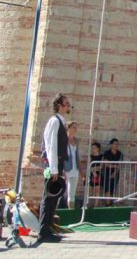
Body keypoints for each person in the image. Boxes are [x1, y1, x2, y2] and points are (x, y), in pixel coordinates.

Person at [38, 93, 71, 243]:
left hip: (58, 164)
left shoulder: (61, 121)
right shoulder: (54, 121)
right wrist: (54, 169)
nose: (68, 107)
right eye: (66, 104)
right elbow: (51, 145)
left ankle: (48, 229)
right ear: (59, 106)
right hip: (53, 164)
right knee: (49, 198)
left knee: (54, 198)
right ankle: (43, 232)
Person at [64, 121, 81, 209]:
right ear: (68, 128)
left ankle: (71, 210)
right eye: (73, 127)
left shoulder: (76, 140)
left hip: (75, 168)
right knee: (62, 190)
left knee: (72, 193)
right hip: (66, 167)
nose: (75, 129)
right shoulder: (64, 139)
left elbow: (77, 155)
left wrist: (80, 170)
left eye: (76, 127)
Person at [101, 138, 122, 204]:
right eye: (115, 144)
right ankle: (107, 204)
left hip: (116, 173)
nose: (116, 145)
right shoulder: (107, 153)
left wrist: (115, 172)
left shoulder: (119, 153)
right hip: (107, 172)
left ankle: (110, 203)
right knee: (107, 188)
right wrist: (114, 166)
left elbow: (120, 164)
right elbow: (106, 164)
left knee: (113, 188)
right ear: (111, 145)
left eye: (117, 144)